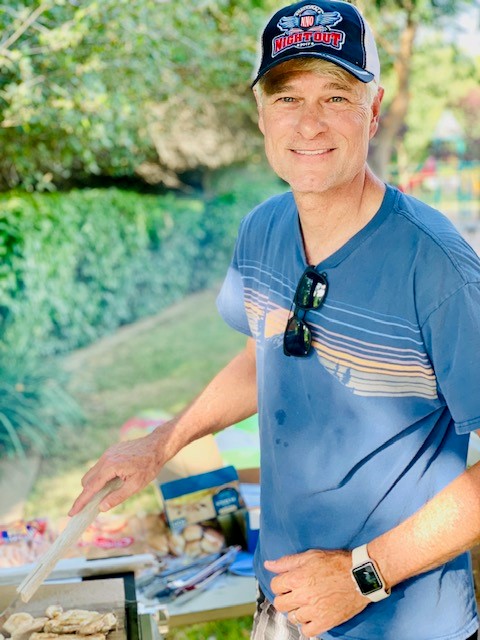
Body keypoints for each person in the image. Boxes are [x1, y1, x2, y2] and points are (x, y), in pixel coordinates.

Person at [69, 1, 480, 638]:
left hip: (402, 621)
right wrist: (163, 443)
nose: (308, 123)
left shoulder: (439, 267)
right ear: (262, 115)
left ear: (373, 111)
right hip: (283, 608)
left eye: (336, 96)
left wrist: (361, 574)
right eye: (286, 98)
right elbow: (270, 349)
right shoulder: (262, 230)